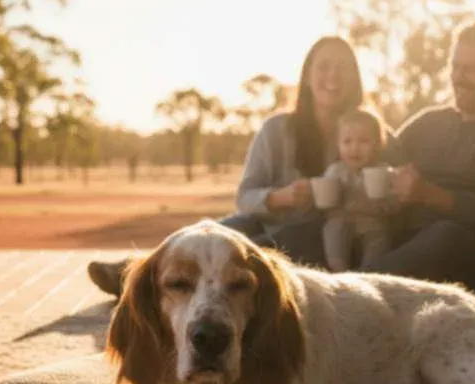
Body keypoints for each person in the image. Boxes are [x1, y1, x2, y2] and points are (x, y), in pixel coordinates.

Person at [87, 35, 366, 296]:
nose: (333, 76)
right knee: (213, 229)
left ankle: (147, 282)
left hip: (319, 238)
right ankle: (139, 269)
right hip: (264, 219)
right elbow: (245, 196)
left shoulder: (372, 132)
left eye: (343, 68)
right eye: (324, 67)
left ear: (355, 78)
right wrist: (280, 197)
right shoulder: (277, 129)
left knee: (257, 247)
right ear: (306, 76)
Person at [358, 19, 475, 294]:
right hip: (406, 239)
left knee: (446, 236)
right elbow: (378, 156)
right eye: (456, 67)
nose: (459, 78)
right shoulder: (429, 121)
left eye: (472, 69)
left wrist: (428, 194)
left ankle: (353, 291)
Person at [318, 107, 398, 272]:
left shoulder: (383, 172)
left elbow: (395, 203)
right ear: (338, 145)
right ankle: (337, 268)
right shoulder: (335, 171)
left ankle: (369, 271)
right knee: (333, 228)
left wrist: (382, 206)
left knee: (379, 238)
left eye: (363, 141)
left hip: (372, 223)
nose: (355, 148)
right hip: (341, 220)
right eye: (347, 142)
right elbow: (324, 200)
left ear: (378, 144)